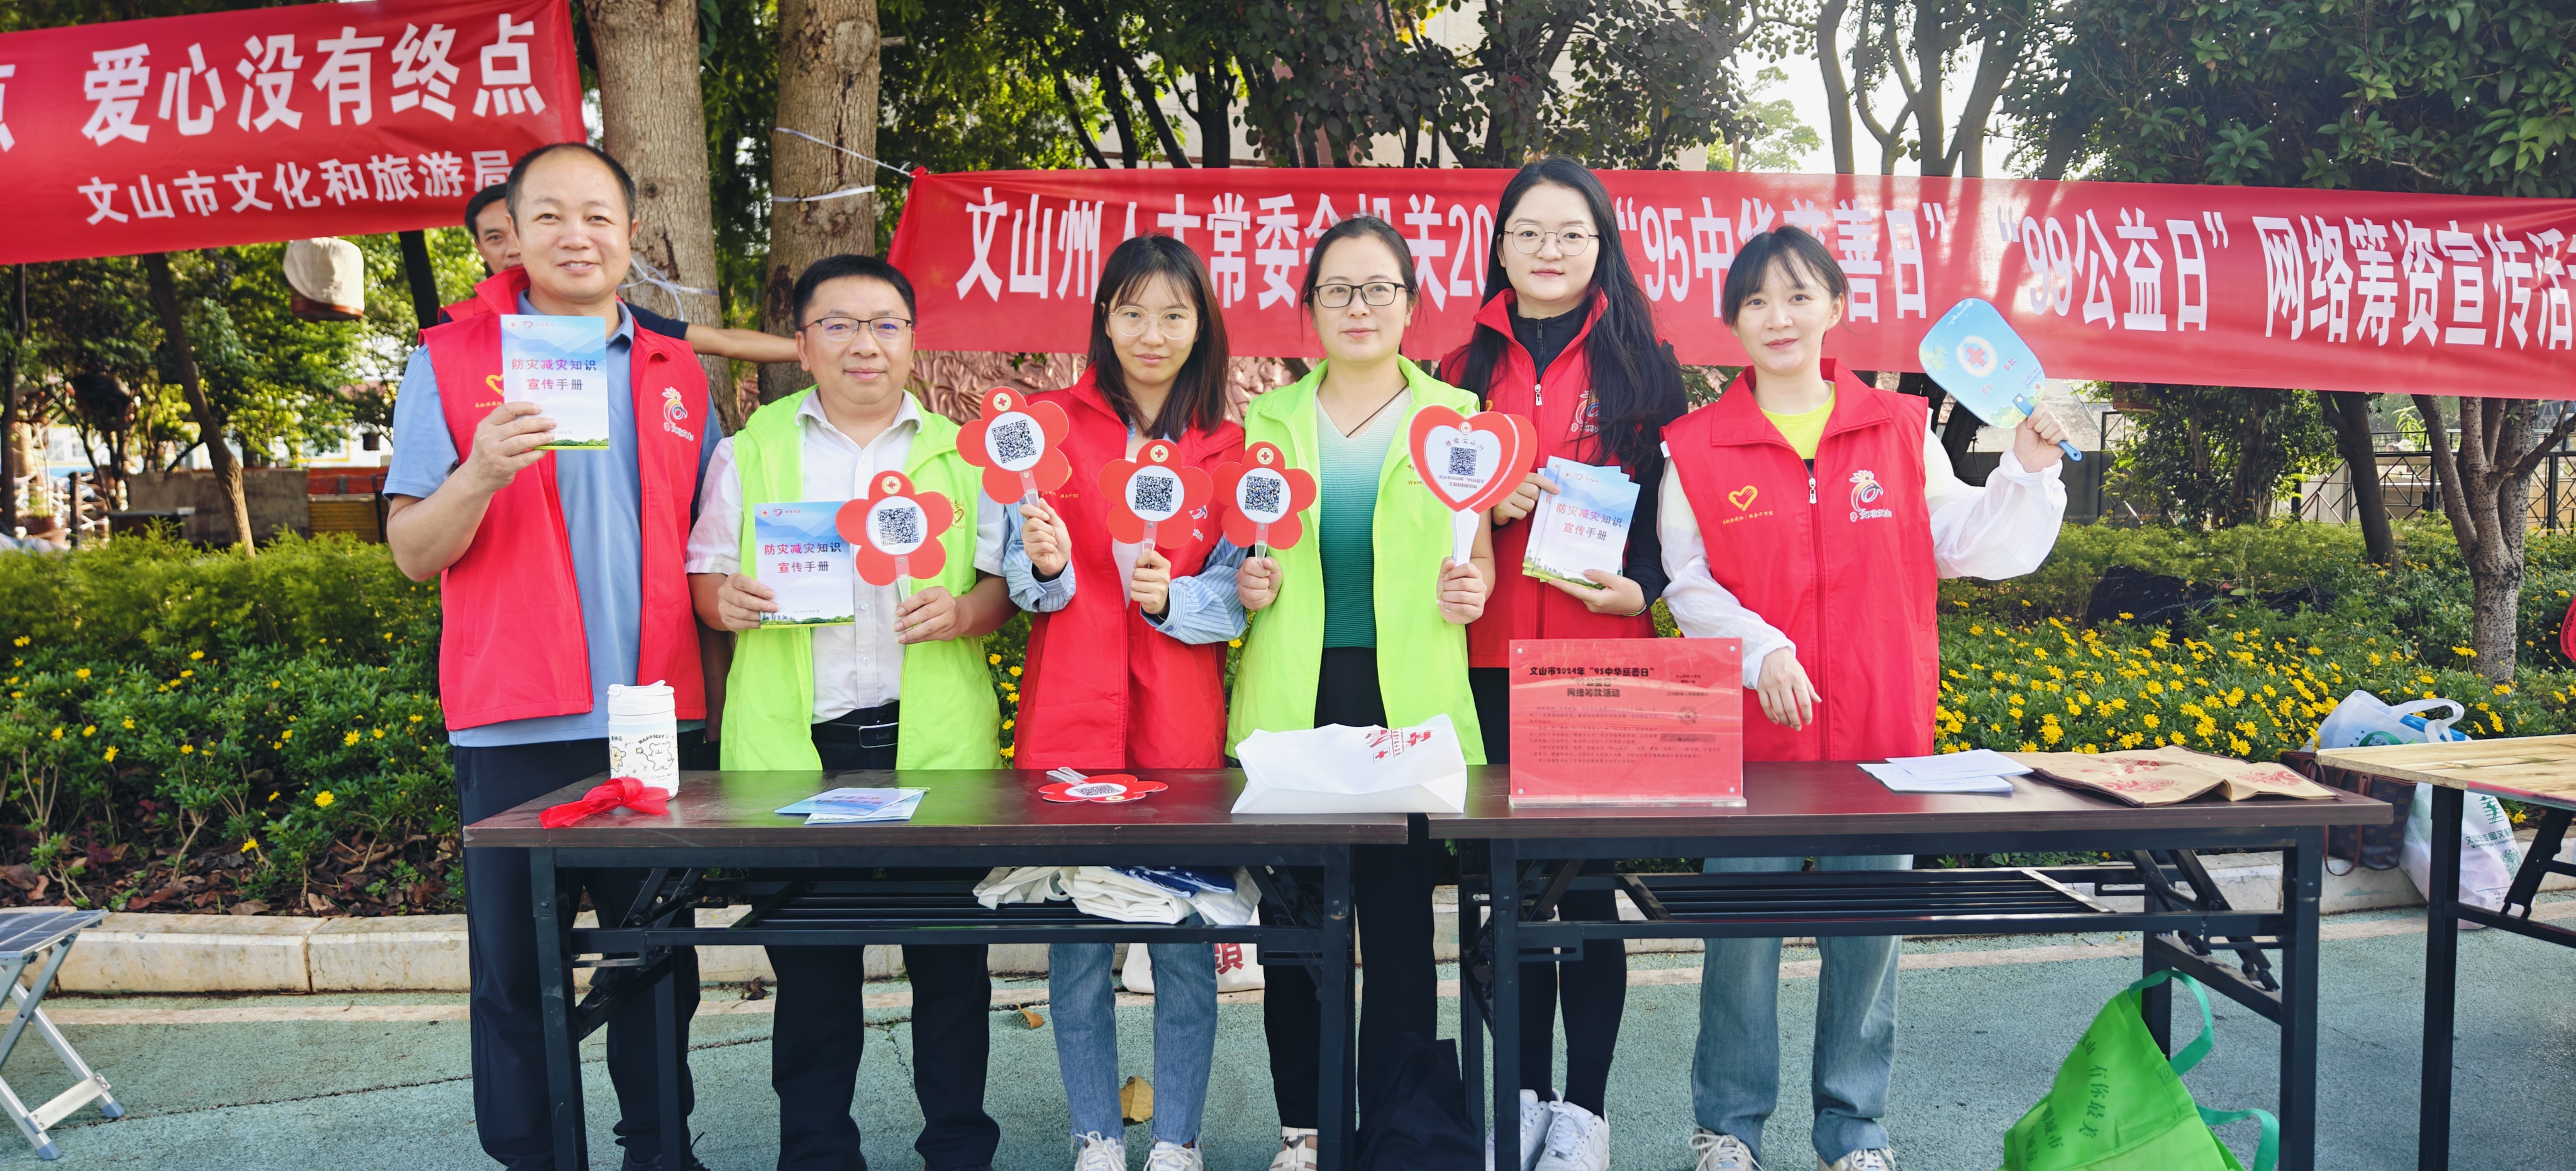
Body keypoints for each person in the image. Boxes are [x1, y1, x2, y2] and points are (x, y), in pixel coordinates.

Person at [1660, 226, 2068, 1171]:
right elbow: (1688, 582)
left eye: (1799, 295)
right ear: (1733, 322)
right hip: (1754, 739)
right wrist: (1761, 647)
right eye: (1756, 301)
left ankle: (1854, 1130)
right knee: (1740, 940)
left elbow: (1963, 540)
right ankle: (1727, 1128)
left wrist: (2024, 472)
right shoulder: (1695, 446)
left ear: (1835, 308)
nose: (1779, 317)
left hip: (1884, 734)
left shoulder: (1898, 427)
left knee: (1870, 935)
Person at [384, 142, 717, 1171]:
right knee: (516, 968)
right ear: (514, 236)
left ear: (630, 236)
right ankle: (533, 1155)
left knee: (657, 959)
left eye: (599, 217)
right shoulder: (448, 359)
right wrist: (479, 470)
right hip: (512, 716)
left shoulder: (674, 370)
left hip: (650, 715)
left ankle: (659, 1151)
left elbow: (712, 545)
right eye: (552, 216)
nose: (578, 236)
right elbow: (412, 552)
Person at [685, 252, 1014, 1171]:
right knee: (812, 972)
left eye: (884, 324)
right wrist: (728, 602)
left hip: (932, 744)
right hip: (797, 746)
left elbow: (1001, 588)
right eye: (837, 324)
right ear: (802, 345)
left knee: (950, 966)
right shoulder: (751, 448)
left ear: (912, 341)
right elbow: (705, 576)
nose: (863, 343)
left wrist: (963, 612)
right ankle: (817, 1153)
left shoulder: (963, 453)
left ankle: (959, 1151)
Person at [1435, 156, 1689, 1171]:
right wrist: (1481, 507)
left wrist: (1646, 588)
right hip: (1485, 658)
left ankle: (1584, 1110)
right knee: (1505, 894)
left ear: (1601, 247)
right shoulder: (1455, 371)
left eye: (1571, 232)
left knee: (1584, 891)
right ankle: (1523, 1096)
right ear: (1499, 246)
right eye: (1529, 231)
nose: (1549, 249)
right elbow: (1424, 513)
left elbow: (1676, 513)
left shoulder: (1645, 367)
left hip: (1600, 657)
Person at [1231, 214, 1494, 1171]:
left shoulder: (1456, 417)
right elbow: (1238, 551)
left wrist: (1473, 589)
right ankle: (1305, 1128)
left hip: (1407, 704)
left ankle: (1399, 1129)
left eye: (1379, 288)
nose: (1359, 307)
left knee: (1396, 927)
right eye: (1337, 289)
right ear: (1309, 306)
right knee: (1294, 925)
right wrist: (1245, 581)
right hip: (1294, 697)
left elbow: (1477, 560)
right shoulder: (1266, 422)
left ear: (1411, 305)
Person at [1002, 235, 1246, 1171]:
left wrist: (1172, 599)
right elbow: (1021, 583)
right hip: (1070, 713)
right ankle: (1096, 1134)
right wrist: (1047, 566)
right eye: (1133, 311)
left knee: (1183, 938)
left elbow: (1234, 595)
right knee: (1077, 944)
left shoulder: (1227, 445)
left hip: (1178, 723)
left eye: (1174, 315)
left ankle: (1177, 1137)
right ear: (1104, 318)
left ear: (1200, 325)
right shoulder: (1046, 431)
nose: (1153, 333)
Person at [447, 182, 797, 364]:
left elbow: (723, 342)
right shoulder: (456, 328)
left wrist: (809, 350)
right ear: (479, 247)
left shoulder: (611, 316)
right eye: (495, 238)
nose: (513, 248)